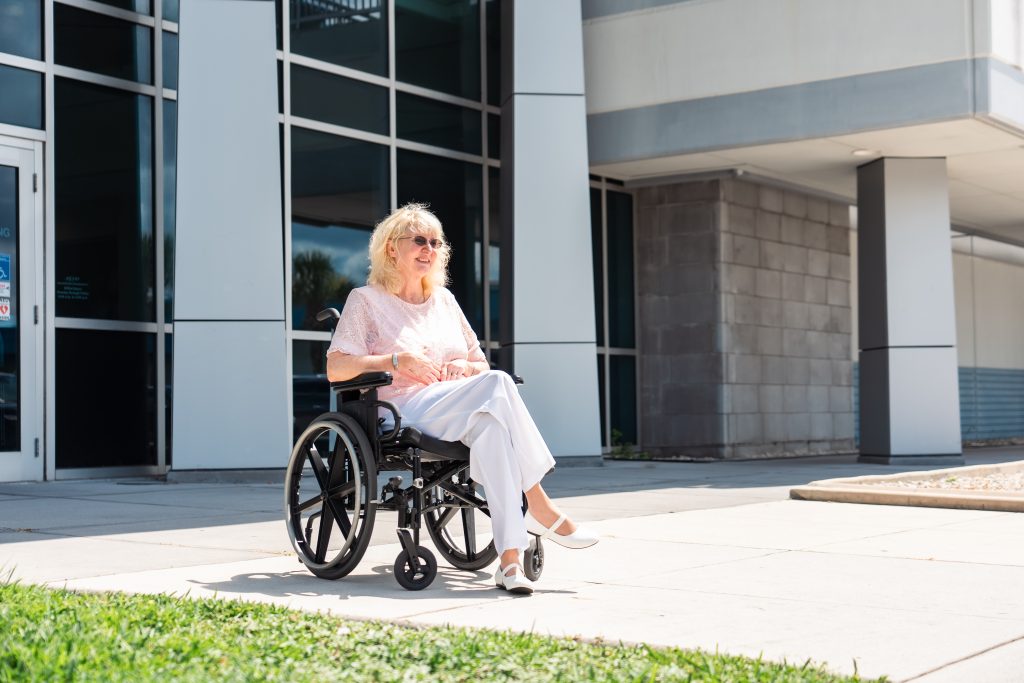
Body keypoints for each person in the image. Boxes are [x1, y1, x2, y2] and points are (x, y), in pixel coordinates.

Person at [326, 203, 598, 594]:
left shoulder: (445, 301)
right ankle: (537, 502)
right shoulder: (366, 300)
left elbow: (479, 364)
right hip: (401, 410)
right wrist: (395, 359)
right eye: (419, 240)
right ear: (391, 249)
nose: (429, 249)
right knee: (498, 385)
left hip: (454, 404)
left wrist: (463, 367)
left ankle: (509, 562)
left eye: (436, 243)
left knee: (491, 427)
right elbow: (337, 368)